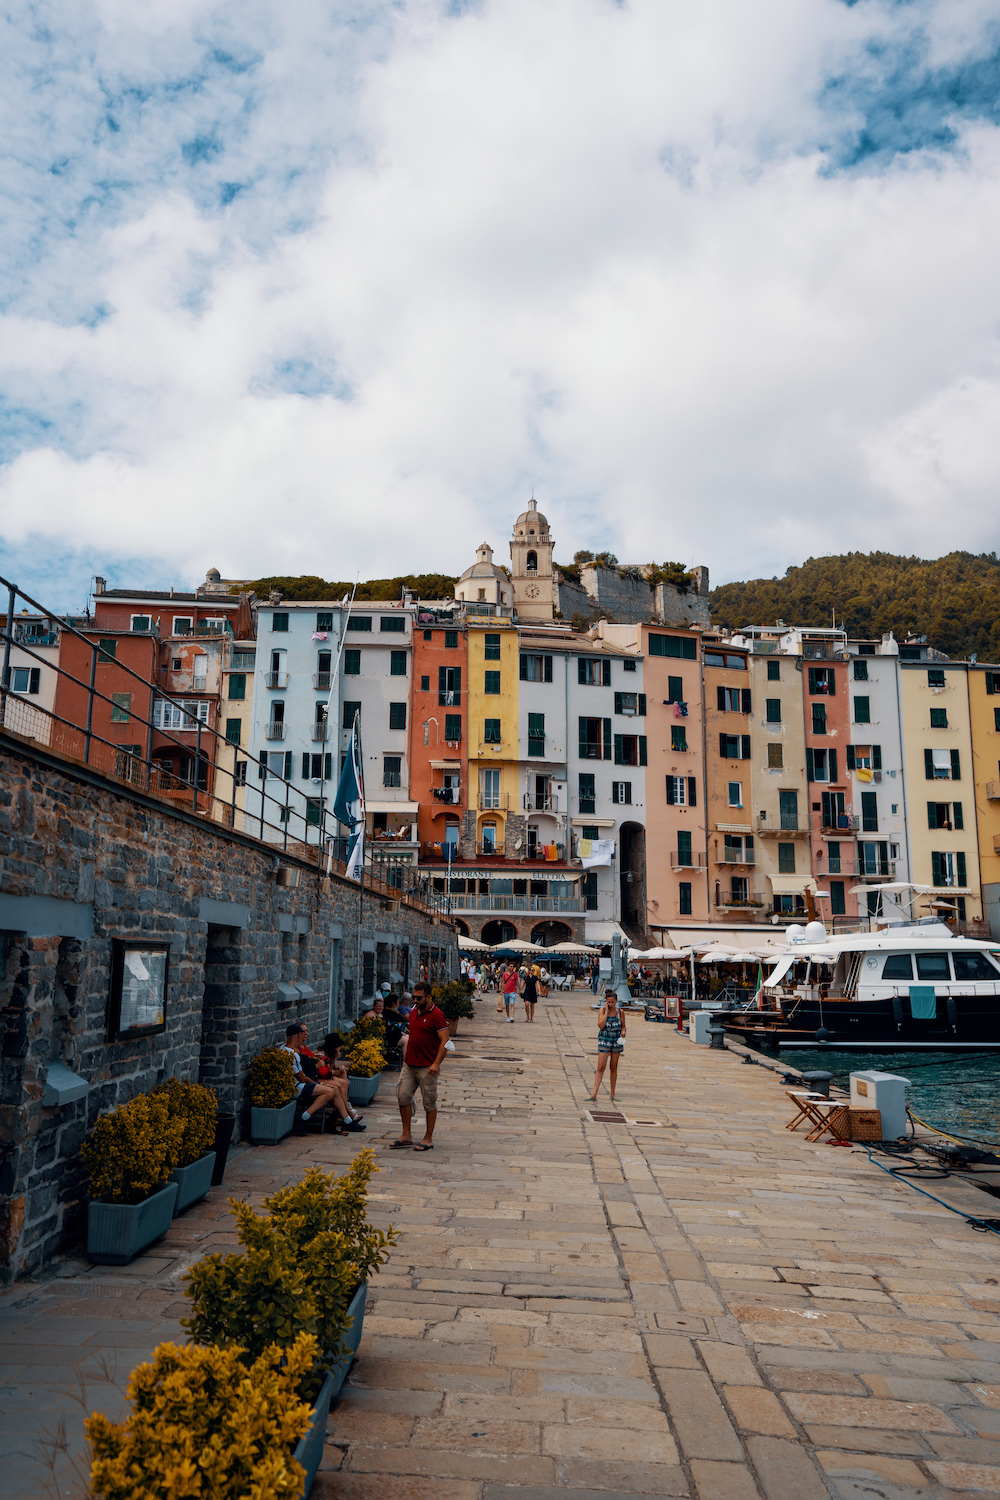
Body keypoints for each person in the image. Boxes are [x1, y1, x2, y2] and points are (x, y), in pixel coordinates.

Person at [391, 981, 450, 1151]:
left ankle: (428, 1138)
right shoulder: (414, 1012)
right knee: (403, 1096)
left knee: (429, 1102)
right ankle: (406, 1134)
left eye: (419, 997)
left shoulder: (436, 1015)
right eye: (414, 997)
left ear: (429, 997)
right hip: (410, 1064)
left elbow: (445, 1041)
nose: (415, 1000)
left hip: (427, 1066)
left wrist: (436, 1064)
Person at [282, 1024, 363, 1135]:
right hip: (297, 1087)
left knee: (333, 1089)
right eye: (302, 1034)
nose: (303, 1036)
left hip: (300, 1084)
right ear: (297, 1035)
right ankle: (303, 1117)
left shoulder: (283, 1049)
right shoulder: (291, 1054)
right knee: (331, 1090)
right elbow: (301, 1078)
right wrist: (317, 1083)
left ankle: (347, 1120)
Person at [588, 990, 626, 1105]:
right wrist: (606, 1012)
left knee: (613, 1066)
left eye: (612, 1002)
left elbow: (623, 1026)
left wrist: (623, 1032)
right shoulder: (602, 1010)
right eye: (608, 1002)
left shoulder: (620, 1012)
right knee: (600, 1066)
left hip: (616, 1041)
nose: (611, 1004)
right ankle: (594, 1093)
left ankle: (613, 1093)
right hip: (604, 1040)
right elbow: (600, 1025)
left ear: (616, 1001)